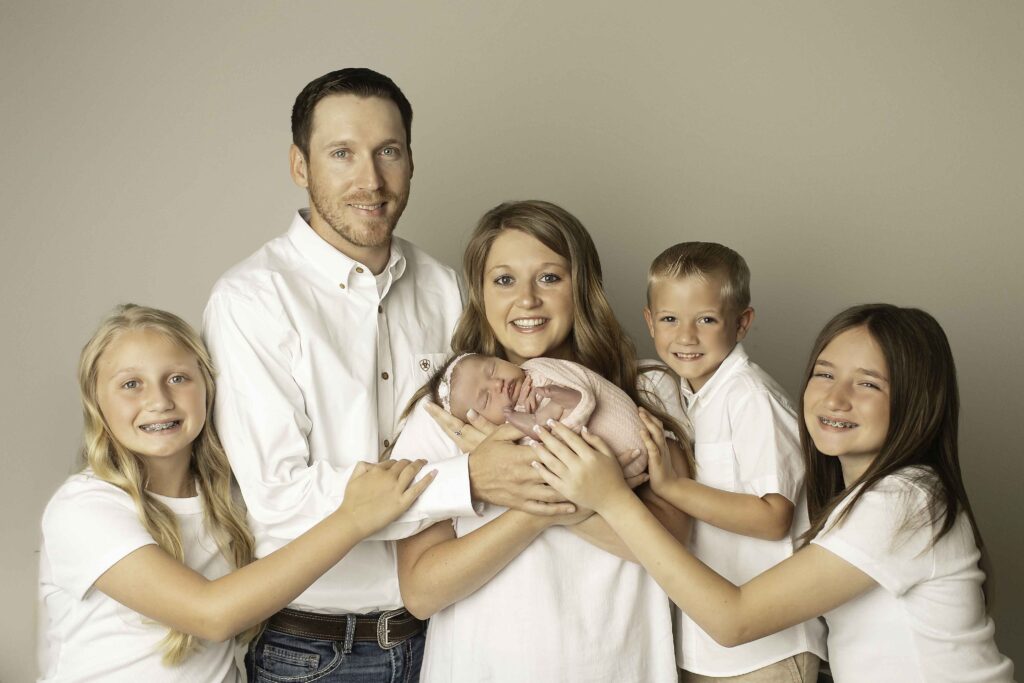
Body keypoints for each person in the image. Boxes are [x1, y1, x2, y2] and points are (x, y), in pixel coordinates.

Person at [202, 68, 562, 682]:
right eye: (341, 154)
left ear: (412, 163)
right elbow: (280, 504)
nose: (369, 180)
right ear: (299, 165)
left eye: (387, 152)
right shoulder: (252, 301)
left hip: (451, 631)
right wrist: (467, 479)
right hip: (316, 652)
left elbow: (510, 413)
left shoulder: (443, 286)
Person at [531, 304, 1015, 682]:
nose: (835, 397)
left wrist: (612, 500)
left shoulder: (905, 501)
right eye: (824, 374)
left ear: (916, 401)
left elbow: (733, 620)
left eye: (868, 384)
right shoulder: (867, 498)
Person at [37, 305, 434, 682]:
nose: (158, 400)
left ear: (207, 386)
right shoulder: (84, 508)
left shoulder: (231, 497)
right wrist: (352, 520)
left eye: (177, 378)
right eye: (131, 384)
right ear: (96, 401)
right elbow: (211, 614)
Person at [393, 200, 693, 683]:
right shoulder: (447, 413)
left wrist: (552, 485)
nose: (527, 299)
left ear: (583, 286)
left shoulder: (647, 388)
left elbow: (673, 545)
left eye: (550, 277)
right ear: (480, 292)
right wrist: (541, 506)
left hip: (618, 666)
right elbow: (422, 592)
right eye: (504, 280)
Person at [643, 242, 826, 681]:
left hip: (768, 649)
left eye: (706, 319)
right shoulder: (685, 397)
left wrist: (672, 487)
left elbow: (772, 517)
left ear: (741, 323)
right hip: (709, 644)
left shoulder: (751, 398)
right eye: (670, 319)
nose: (685, 337)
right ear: (650, 322)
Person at [427, 352, 649, 477]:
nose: (497, 384)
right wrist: (522, 416)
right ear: (480, 422)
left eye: (492, 369)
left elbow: (580, 379)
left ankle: (553, 413)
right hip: (613, 473)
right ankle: (548, 418)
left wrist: (540, 411)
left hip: (629, 432)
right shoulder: (509, 439)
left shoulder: (537, 372)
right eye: (486, 399)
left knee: (563, 398)